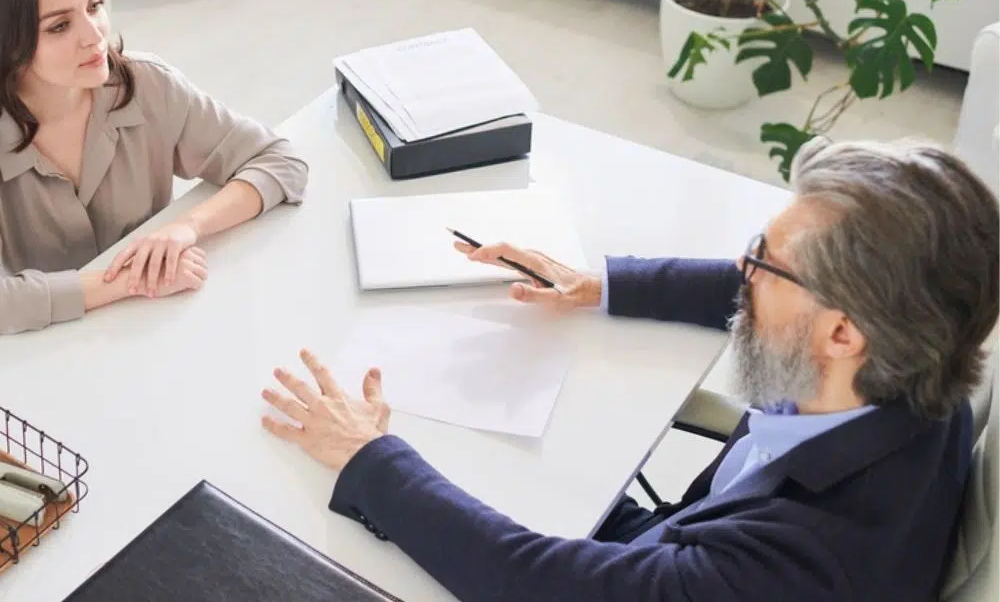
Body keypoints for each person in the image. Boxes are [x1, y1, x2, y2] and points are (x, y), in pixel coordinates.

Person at [260, 137, 999, 600]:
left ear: (842, 333)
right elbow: (761, 289)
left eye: (762, 264)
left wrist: (370, 459)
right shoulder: (921, 360)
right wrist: (599, 284)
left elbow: (534, 583)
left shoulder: (798, 567)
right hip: (671, 541)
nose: (740, 271)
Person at [0, 0, 307, 351]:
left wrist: (186, 228)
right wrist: (123, 281)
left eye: (94, 6)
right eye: (60, 26)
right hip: (47, 344)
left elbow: (279, 162)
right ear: (6, 43)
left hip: (158, 324)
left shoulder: (147, 85)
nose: (93, 34)